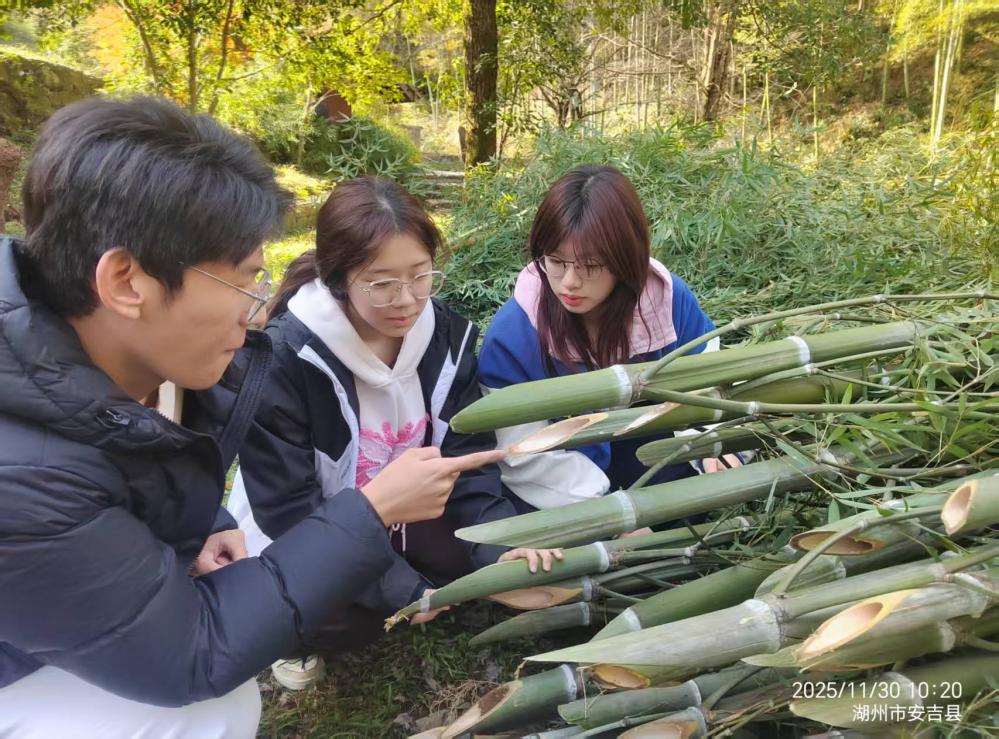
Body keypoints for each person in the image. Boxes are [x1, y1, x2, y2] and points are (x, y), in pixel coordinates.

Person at [0, 96, 504, 737]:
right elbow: (191, 656)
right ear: (126, 282)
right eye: (243, 281)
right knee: (209, 712)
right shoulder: (20, 478)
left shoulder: (139, 360)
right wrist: (373, 510)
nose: (257, 308)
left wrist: (205, 522)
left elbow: (145, 461)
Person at [228, 177, 560, 689]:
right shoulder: (284, 359)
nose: (406, 300)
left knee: (498, 545)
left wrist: (498, 549)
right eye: (381, 283)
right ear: (339, 278)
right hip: (316, 523)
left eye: (421, 276)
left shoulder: (446, 337)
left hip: (413, 511)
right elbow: (287, 507)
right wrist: (396, 586)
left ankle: (432, 580)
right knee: (313, 611)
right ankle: (301, 638)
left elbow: (467, 456)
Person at [477, 164, 743, 514]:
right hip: (560, 490)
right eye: (556, 261)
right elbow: (521, 453)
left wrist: (710, 445)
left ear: (626, 257)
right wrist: (608, 516)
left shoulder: (666, 301)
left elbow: (708, 382)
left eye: (590, 266)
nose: (569, 282)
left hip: (652, 464)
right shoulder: (515, 333)